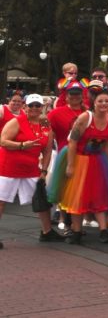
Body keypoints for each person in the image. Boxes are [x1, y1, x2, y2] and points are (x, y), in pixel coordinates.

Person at [48, 89, 108, 244]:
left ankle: (103, 230)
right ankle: (76, 231)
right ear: (94, 102)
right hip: (79, 158)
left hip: (97, 159)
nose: (103, 104)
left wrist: (106, 166)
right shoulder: (85, 117)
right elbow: (72, 141)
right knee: (77, 196)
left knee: (100, 194)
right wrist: (71, 165)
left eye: (107, 101)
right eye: (100, 101)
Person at [0, 93, 59, 245]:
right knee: (1, 201)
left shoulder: (45, 125)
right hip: (8, 168)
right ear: (25, 107)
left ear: (42, 108)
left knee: (41, 197)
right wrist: (21, 145)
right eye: (31, 105)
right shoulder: (16, 122)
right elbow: (3, 141)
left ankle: (47, 231)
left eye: (37, 105)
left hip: (31, 168)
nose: (34, 108)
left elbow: (46, 150)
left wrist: (44, 171)